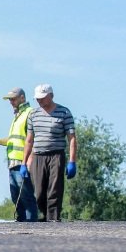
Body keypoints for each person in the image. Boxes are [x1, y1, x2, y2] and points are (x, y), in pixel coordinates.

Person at [23, 83, 78, 222]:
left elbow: (71, 138)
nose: (39, 101)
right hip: (38, 156)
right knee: (40, 192)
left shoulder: (64, 113)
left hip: (56, 155)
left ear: (51, 96)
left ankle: (53, 218)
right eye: (37, 98)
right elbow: (29, 140)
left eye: (42, 97)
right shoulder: (33, 115)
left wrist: (72, 161)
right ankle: (45, 214)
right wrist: (24, 163)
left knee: (54, 189)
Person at [0, 87, 38, 222]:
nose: (11, 101)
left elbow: (33, 139)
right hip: (12, 164)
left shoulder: (29, 113)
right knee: (16, 198)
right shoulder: (17, 116)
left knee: (26, 198)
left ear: (22, 98)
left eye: (13, 99)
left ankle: (32, 226)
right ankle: (22, 225)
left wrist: (27, 163)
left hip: (22, 163)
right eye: (10, 99)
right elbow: (13, 140)